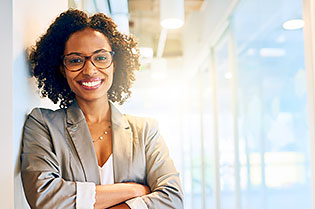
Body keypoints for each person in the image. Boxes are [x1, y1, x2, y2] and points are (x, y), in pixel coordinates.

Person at [21, 9, 183, 209]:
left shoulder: (145, 131)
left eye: (100, 57)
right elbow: (45, 197)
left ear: (114, 64)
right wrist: (134, 191)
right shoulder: (43, 125)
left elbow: (172, 198)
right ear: (62, 68)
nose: (89, 70)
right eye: (75, 60)